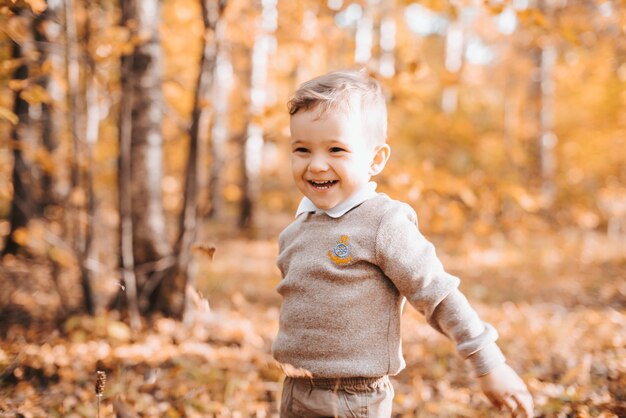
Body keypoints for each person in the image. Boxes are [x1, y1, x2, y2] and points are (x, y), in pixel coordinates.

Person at [271, 69, 534, 418]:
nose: (317, 165)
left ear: (376, 159)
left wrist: (488, 363)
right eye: (302, 149)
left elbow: (437, 294)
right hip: (294, 391)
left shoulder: (382, 222)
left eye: (336, 149)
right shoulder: (295, 230)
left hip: (353, 398)